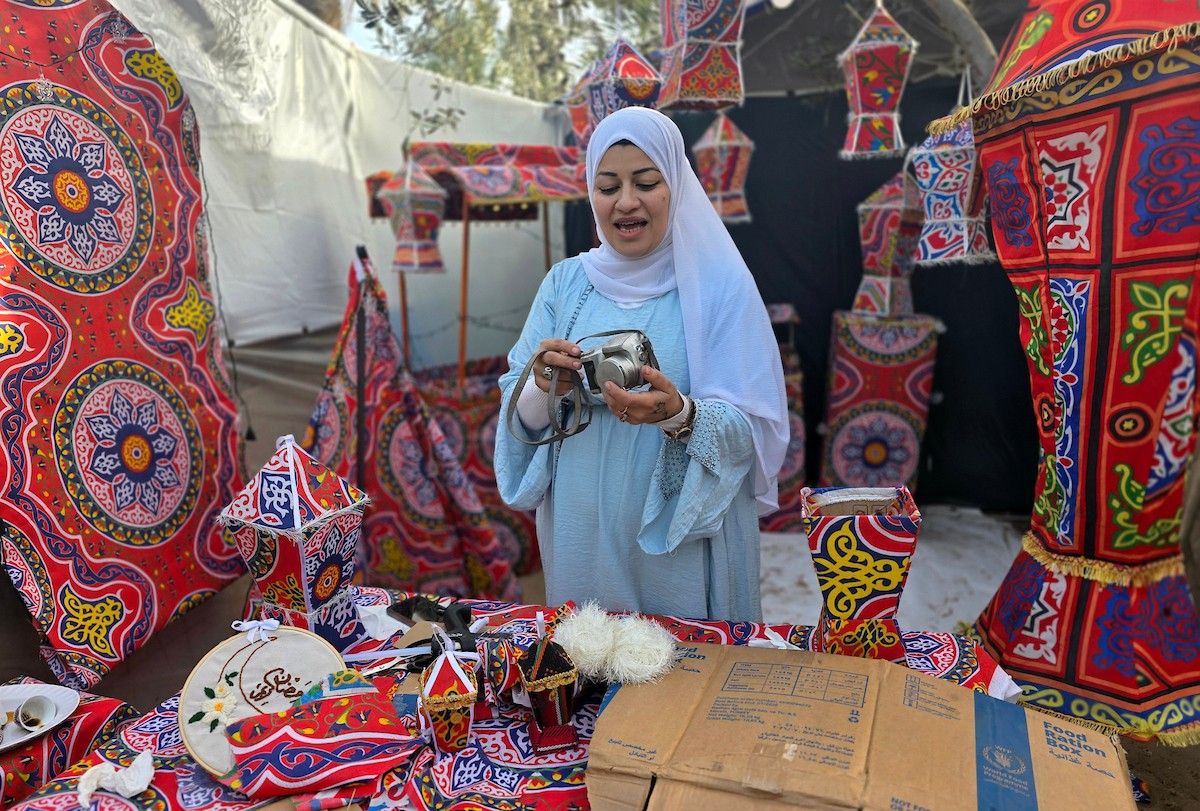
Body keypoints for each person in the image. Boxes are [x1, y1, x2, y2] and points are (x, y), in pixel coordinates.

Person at [494, 106, 788, 622]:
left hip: (681, 542)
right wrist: (543, 383)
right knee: (590, 658)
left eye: (646, 183)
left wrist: (681, 414)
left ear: (676, 185)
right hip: (582, 534)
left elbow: (752, 432)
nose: (626, 201)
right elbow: (522, 414)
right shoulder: (565, 284)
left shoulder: (718, 288)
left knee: (681, 666)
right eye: (608, 187)